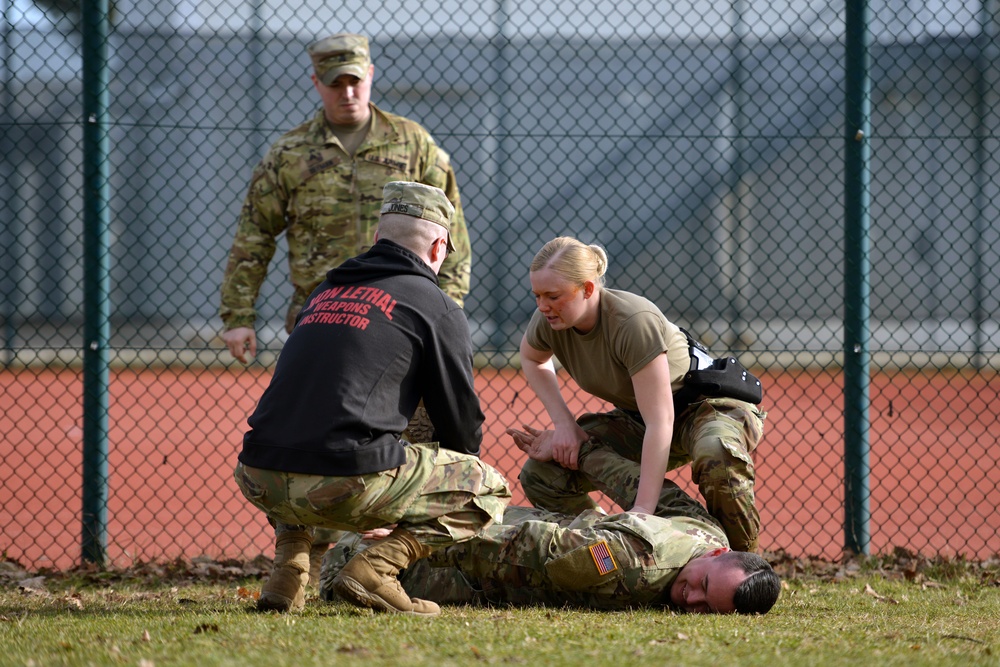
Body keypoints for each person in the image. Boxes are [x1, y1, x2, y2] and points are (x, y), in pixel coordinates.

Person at [219, 32, 471, 585]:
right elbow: (254, 235)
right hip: (324, 318)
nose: (347, 92)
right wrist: (238, 314)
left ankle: (385, 565)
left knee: (408, 438)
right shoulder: (289, 154)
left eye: (355, 79)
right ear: (317, 84)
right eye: (335, 83)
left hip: (405, 326)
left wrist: (441, 314)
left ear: (371, 76)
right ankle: (303, 556)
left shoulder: (414, 144)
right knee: (316, 430)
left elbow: (451, 235)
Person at [233, 181, 510, 617]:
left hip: (257, 476)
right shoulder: (436, 306)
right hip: (341, 483)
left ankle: (288, 572)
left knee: (309, 435)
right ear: (439, 247)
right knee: (486, 487)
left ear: (378, 239)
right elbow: (460, 423)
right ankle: (377, 570)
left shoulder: (324, 291)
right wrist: (419, 501)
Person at [319, 426, 781, 614]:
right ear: (719, 552)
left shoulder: (652, 565)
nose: (690, 597)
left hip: (436, 572)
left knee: (343, 542)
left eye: (705, 607)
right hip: (460, 546)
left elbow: (529, 554)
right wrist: (581, 453)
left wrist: (416, 540)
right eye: (703, 584)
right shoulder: (687, 540)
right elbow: (645, 487)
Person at [516, 237, 767, 552]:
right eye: (537, 295)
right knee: (542, 473)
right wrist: (564, 424)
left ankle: (740, 564)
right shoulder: (551, 321)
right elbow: (533, 358)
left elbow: (661, 421)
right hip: (642, 417)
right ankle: (606, 545)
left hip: (705, 407)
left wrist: (644, 510)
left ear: (588, 289)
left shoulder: (632, 321)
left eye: (553, 296)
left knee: (717, 455)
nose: (542, 306)